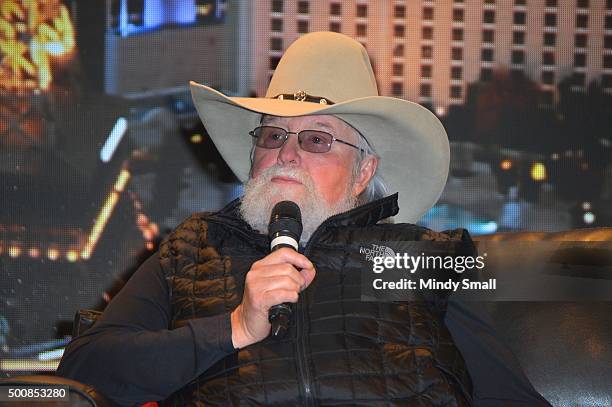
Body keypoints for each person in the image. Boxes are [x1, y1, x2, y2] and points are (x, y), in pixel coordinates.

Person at [58, 32, 551, 406]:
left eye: (316, 139)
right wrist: (233, 328)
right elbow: (82, 374)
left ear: (365, 171)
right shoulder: (192, 247)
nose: (287, 154)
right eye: (272, 137)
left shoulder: (425, 259)